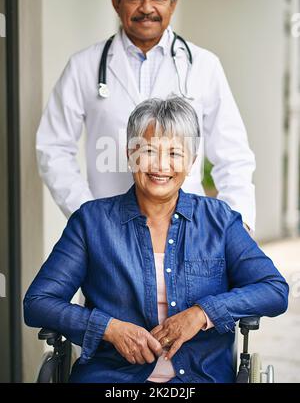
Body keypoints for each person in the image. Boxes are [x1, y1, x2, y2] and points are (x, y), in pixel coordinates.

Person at [25, 97, 288, 383]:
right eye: (149, 150)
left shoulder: (219, 221)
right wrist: (109, 328)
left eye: (175, 153)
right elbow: (38, 302)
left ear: (191, 162)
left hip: (201, 377)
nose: (161, 165)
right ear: (130, 154)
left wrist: (202, 314)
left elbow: (274, 289)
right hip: (113, 378)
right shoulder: (92, 222)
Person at [36, 0, 256, 231]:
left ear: (173, 5)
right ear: (116, 2)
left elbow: (233, 153)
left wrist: (238, 222)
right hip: (109, 228)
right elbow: (53, 146)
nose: (146, 7)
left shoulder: (203, 65)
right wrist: (86, 212)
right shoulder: (84, 66)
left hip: (187, 228)